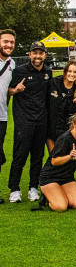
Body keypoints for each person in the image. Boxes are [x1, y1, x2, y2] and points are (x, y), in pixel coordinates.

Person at [8, 41, 52, 203]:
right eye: (35, 53)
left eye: (41, 53)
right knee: (19, 156)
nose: (38, 56)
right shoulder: (19, 71)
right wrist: (15, 90)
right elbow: (8, 91)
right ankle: (14, 189)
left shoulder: (48, 71)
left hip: (41, 121)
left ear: (45, 55)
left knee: (37, 157)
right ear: (30, 54)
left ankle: (33, 187)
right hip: (23, 121)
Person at [39, 112, 76, 212]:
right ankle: (46, 196)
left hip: (67, 178)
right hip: (50, 177)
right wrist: (69, 156)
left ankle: (59, 193)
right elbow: (54, 161)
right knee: (61, 207)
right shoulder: (65, 138)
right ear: (73, 124)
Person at [47, 61, 76, 152]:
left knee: (64, 159)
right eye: (70, 71)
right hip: (50, 130)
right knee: (53, 159)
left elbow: (75, 116)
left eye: (75, 72)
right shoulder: (54, 83)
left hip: (66, 132)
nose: (72, 74)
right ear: (65, 72)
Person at [0, 29, 16, 204]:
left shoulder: (12, 64)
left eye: (11, 42)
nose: (9, 45)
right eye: (5, 41)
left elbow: (8, 89)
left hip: (2, 116)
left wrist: (13, 91)